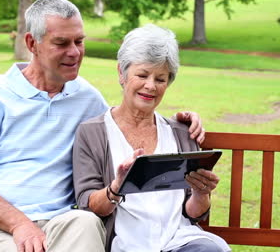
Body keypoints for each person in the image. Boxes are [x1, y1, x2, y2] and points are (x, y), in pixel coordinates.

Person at [0, 0, 205, 252]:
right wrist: (20, 225)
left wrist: (177, 124)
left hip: (62, 223)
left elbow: (126, 122)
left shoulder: (86, 97)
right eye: (61, 43)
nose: (74, 52)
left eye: (79, 41)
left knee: (86, 222)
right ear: (32, 43)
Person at [73, 24, 230, 252]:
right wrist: (117, 187)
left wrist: (201, 192)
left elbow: (193, 213)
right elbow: (89, 205)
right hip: (125, 244)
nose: (150, 86)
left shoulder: (181, 132)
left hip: (180, 241)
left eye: (161, 79)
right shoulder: (92, 133)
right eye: (142, 75)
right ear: (121, 73)